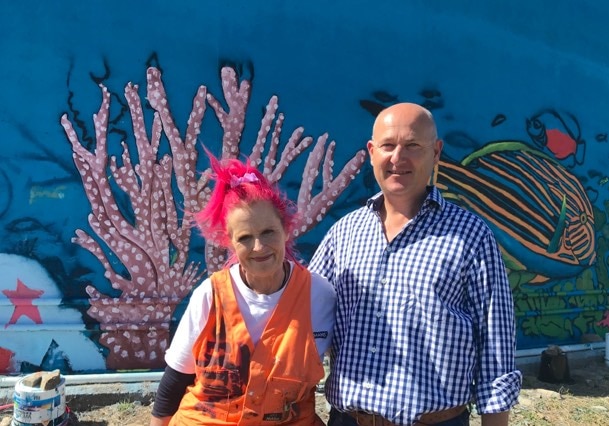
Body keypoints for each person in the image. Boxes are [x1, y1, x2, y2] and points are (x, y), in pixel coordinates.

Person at [309, 103, 521, 426]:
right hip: (349, 420)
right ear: (371, 151)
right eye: (388, 146)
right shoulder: (343, 234)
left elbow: (496, 349)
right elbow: (299, 314)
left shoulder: (471, 237)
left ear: (436, 153)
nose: (398, 158)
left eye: (412, 146)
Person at [150, 156, 336, 425]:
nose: (259, 247)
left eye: (268, 232)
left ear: (286, 230)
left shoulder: (319, 296)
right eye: (245, 238)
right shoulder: (210, 295)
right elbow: (175, 380)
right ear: (230, 242)